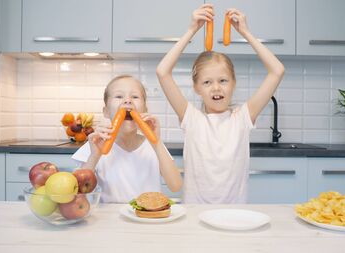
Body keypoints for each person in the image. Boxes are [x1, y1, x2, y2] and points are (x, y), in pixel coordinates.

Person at [156, 4, 285, 204]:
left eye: (223, 80)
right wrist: (192, 30)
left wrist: (245, 32)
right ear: (197, 88)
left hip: (234, 217)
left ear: (233, 84)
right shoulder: (191, 118)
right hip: (195, 216)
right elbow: (162, 71)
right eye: (207, 82)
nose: (216, 88)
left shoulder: (243, 118)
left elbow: (277, 70)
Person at [72, 75, 183, 203]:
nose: (127, 101)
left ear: (145, 110)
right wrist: (95, 156)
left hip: (148, 217)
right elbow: (76, 191)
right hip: (110, 219)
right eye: (119, 96)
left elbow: (176, 185)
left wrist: (157, 143)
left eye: (135, 97)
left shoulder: (153, 145)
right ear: (106, 111)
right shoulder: (95, 145)